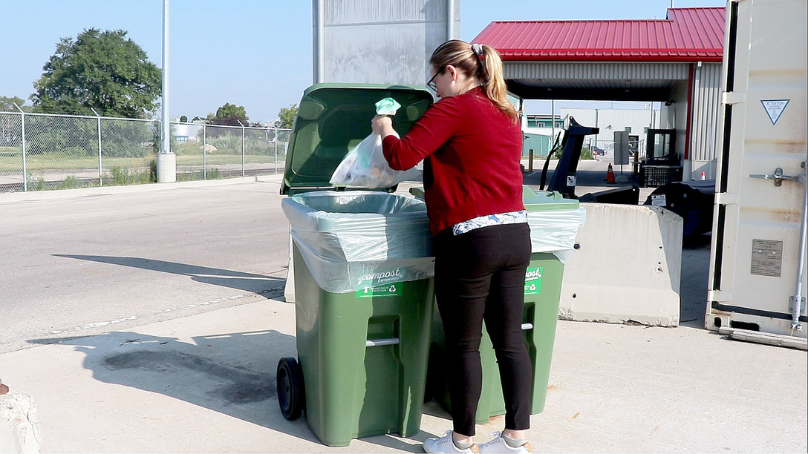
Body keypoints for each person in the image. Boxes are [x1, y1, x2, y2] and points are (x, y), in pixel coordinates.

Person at [371, 40, 533, 454]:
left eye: (435, 78)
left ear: (453, 73)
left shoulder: (454, 107)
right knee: (510, 340)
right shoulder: (505, 112)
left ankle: (461, 442)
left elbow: (403, 157)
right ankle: (514, 440)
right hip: (515, 234)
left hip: (471, 241)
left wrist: (385, 129)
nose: (436, 88)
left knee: (465, 345)